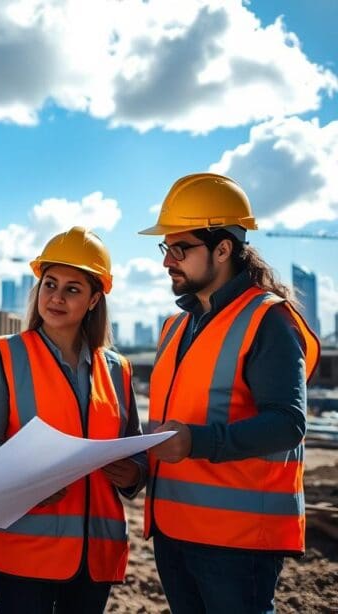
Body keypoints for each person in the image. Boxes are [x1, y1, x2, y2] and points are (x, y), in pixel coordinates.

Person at [139, 173, 321, 614]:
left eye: (180, 248)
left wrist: (197, 441)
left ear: (223, 249)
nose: (168, 261)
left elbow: (288, 423)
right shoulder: (176, 326)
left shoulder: (267, 319)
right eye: (166, 248)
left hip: (235, 544)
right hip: (174, 531)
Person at [0, 226, 147, 614]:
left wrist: (132, 474)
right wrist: (27, 483)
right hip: (24, 550)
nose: (57, 297)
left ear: (94, 299)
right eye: (50, 284)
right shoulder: (5, 356)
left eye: (72, 289)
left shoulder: (117, 370)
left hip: (95, 553)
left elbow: (136, 449)